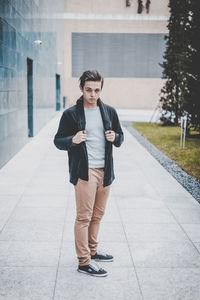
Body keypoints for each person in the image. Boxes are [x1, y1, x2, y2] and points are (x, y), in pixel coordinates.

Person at [54, 70, 124, 277]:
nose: (93, 94)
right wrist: (72, 140)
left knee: (97, 216)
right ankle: (84, 261)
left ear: (101, 89)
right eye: (89, 90)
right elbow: (58, 141)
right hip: (85, 172)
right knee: (84, 217)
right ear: (81, 88)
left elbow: (121, 137)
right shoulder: (71, 114)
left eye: (97, 90)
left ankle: (92, 251)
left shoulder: (109, 112)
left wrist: (115, 137)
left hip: (106, 171)